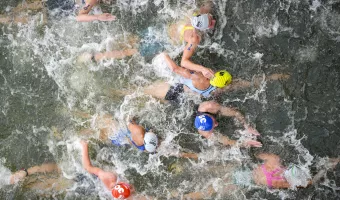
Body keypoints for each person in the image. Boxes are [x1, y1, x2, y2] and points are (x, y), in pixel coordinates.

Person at [143, 53, 289, 103]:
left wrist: (165, 55)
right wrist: (272, 77)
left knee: (145, 92)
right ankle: (277, 77)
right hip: (189, 96)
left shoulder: (196, 77)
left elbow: (175, 68)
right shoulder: (223, 88)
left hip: (175, 90)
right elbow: (253, 82)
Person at [194, 100, 262, 147]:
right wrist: (245, 143)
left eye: (214, 121)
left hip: (216, 107)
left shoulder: (210, 107)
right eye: (213, 126)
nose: (216, 124)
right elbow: (228, 142)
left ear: (209, 115)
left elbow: (236, 113)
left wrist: (247, 126)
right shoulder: (205, 133)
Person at [80, 114, 159, 153]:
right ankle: (82, 136)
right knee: (99, 134)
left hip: (117, 132)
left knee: (97, 124)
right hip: (120, 140)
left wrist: (131, 118)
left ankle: (81, 133)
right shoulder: (145, 148)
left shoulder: (138, 131)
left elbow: (127, 121)